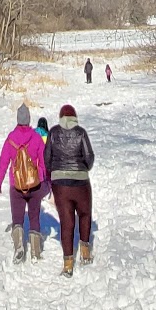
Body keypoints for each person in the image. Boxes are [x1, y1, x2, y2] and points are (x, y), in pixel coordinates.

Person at [43, 103, 95, 275]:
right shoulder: (81, 133)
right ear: (74, 117)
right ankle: (85, 253)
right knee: (85, 214)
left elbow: (47, 158)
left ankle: (68, 264)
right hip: (81, 182)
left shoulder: (53, 132)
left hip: (60, 185)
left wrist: (55, 171)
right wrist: (82, 168)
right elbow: (89, 157)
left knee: (66, 222)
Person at [0, 104, 49, 263]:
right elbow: (44, 161)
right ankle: (36, 252)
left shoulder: (10, 138)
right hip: (35, 184)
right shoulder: (36, 138)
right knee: (34, 216)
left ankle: (19, 246)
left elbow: (3, 163)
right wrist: (45, 180)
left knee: (17, 218)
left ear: (18, 119)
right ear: (29, 119)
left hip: (16, 185)